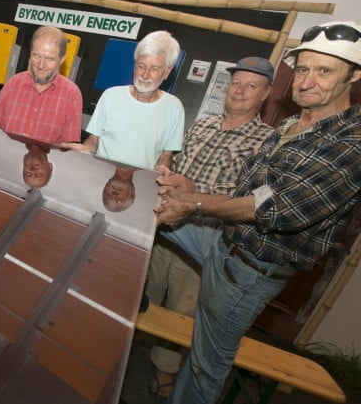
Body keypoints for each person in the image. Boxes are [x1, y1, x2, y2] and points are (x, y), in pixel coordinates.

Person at [154, 21, 361, 404]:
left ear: (354, 75)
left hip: (249, 270)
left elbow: (277, 208)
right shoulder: (291, 125)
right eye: (302, 69)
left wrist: (194, 203)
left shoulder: (351, 143)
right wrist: (189, 192)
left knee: (206, 363)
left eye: (323, 70)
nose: (307, 80)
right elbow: (252, 190)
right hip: (225, 242)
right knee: (150, 211)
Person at [145, 56, 275, 400]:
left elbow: (249, 203)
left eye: (251, 86)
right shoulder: (203, 123)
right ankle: (117, 350)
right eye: (236, 83)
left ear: (265, 94)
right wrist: (166, 172)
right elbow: (177, 162)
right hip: (166, 225)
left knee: (182, 310)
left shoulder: (267, 142)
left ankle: (164, 369)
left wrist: (193, 192)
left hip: (205, 239)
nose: (240, 91)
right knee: (142, 294)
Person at [62, 30, 184, 169]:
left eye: (154, 69)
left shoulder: (174, 108)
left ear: (167, 72)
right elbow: (94, 140)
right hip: (99, 176)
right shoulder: (111, 96)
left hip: (138, 185)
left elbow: (166, 155)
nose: (145, 75)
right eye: (141, 66)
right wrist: (83, 150)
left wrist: (163, 170)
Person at [0, 26, 82, 144]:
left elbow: (70, 145)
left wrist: (39, 148)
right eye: (36, 56)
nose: (41, 65)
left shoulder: (72, 94)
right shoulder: (13, 84)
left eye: (49, 59)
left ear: (62, 59)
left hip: (46, 161)